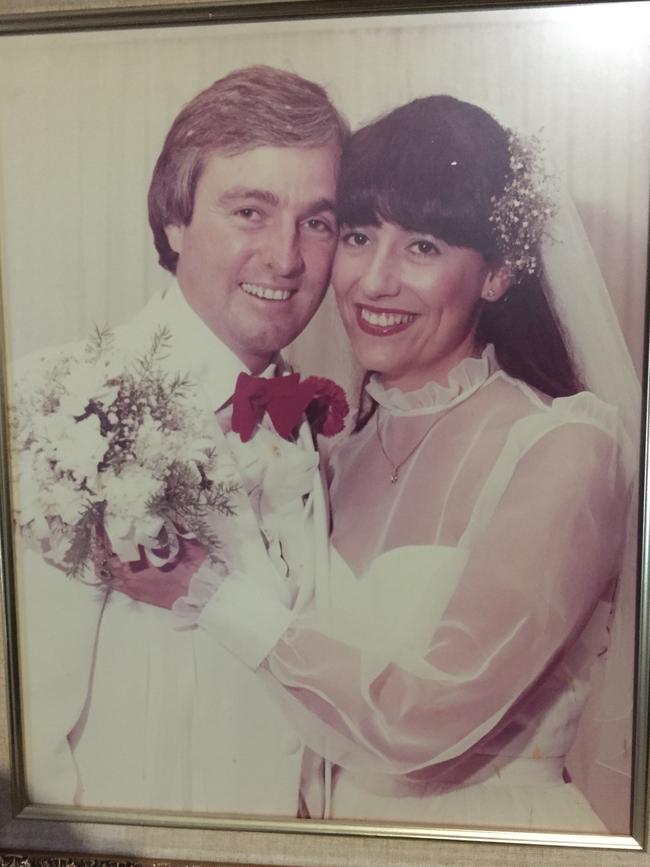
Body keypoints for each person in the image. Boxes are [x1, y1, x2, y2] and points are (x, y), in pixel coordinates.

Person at [195, 95, 637, 831]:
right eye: (359, 235)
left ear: (497, 273)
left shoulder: (564, 448)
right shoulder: (326, 453)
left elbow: (425, 720)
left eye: (424, 246)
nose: (373, 280)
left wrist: (211, 595)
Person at [12, 65, 347, 816]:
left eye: (316, 221)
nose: (286, 257)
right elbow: (20, 758)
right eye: (250, 212)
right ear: (174, 219)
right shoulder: (58, 404)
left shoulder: (320, 425)